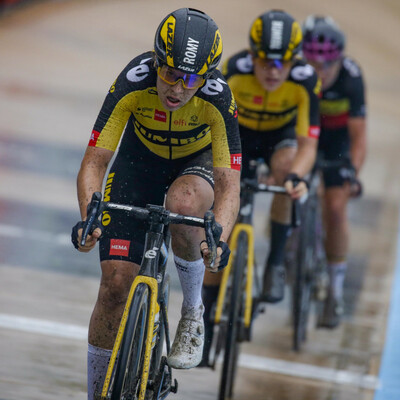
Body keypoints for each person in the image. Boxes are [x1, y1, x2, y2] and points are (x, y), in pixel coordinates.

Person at [70, 8, 242, 398]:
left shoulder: (219, 99)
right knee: (115, 284)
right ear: (155, 61)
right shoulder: (133, 80)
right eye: (169, 73)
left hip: (193, 168)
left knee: (183, 202)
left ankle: (193, 312)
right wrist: (88, 218)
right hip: (138, 164)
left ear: (208, 77)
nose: (178, 89)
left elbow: (229, 185)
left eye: (191, 79)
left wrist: (219, 239)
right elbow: (94, 162)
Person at [200, 9, 320, 365]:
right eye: (265, 61)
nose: (272, 71)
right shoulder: (234, 71)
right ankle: (204, 325)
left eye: (282, 63)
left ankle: (275, 264)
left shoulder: (305, 80)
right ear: (251, 55)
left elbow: (307, 145)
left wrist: (297, 177)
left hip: (279, 139)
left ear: (294, 61)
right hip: (238, 137)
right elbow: (212, 129)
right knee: (219, 222)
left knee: (287, 173)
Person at [302, 15, 367, 328]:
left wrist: (352, 172)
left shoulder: (352, 78)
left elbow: (359, 138)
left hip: (336, 147)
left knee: (336, 207)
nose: (320, 71)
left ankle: (335, 291)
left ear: (339, 61)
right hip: (305, 141)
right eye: (313, 62)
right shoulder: (297, 75)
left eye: (327, 64)